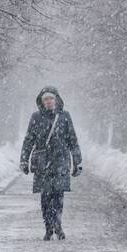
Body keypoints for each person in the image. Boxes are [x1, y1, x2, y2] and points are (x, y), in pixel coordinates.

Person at [20, 86, 82, 241]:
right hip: (43, 163)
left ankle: (58, 224)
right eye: (45, 99)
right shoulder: (36, 117)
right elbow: (29, 140)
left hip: (61, 162)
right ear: (41, 101)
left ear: (56, 99)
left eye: (51, 98)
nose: (48, 101)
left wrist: (77, 161)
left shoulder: (65, 116)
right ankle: (48, 227)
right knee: (45, 197)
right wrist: (24, 160)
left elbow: (72, 140)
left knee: (58, 196)